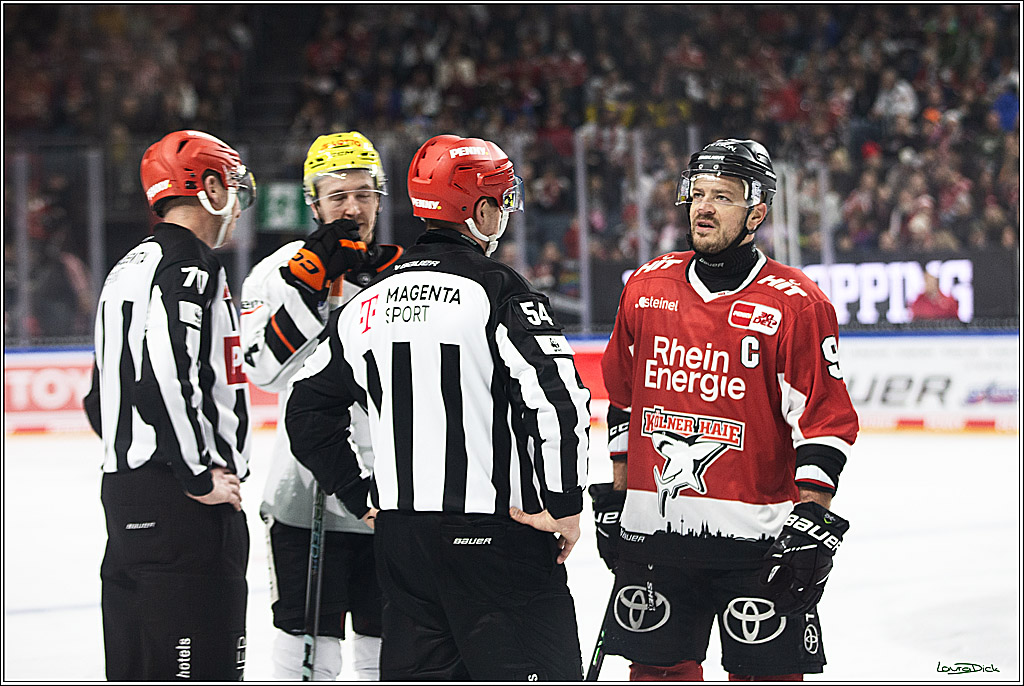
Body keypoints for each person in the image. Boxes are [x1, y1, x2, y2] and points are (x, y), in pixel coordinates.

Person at [283, 134, 592, 681]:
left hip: (404, 546)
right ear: (478, 210)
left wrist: (359, 496)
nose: (505, 211)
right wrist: (564, 502)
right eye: (500, 199)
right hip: (498, 540)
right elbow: (558, 403)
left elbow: (306, 411)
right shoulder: (496, 289)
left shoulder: (368, 301)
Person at [592, 139, 859, 681]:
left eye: (723, 197)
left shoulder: (796, 302)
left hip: (761, 544)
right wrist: (620, 495)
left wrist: (812, 515)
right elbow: (622, 400)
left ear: (757, 213)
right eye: (698, 194)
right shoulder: (645, 287)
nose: (704, 207)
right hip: (657, 537)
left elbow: (824, 419)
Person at [82, 129, 257, 680]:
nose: (234, 202)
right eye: (228, 185)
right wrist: (196, 475)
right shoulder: (191, 267)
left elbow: (99, 398)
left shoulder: (124, 269)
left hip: (127, 498)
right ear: (206, 186)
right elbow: (164, 373)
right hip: (185, 510)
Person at [239, 131, 401, 680]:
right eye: (337, 197)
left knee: (387, 657)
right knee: (306, 658)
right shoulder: (278, 270)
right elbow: (261, 369)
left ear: (381, 197)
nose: (352, 208)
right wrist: (312, 292)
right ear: (314, 203)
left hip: (391, 496)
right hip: (306, 491)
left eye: (362, 194)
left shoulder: (402, 272)